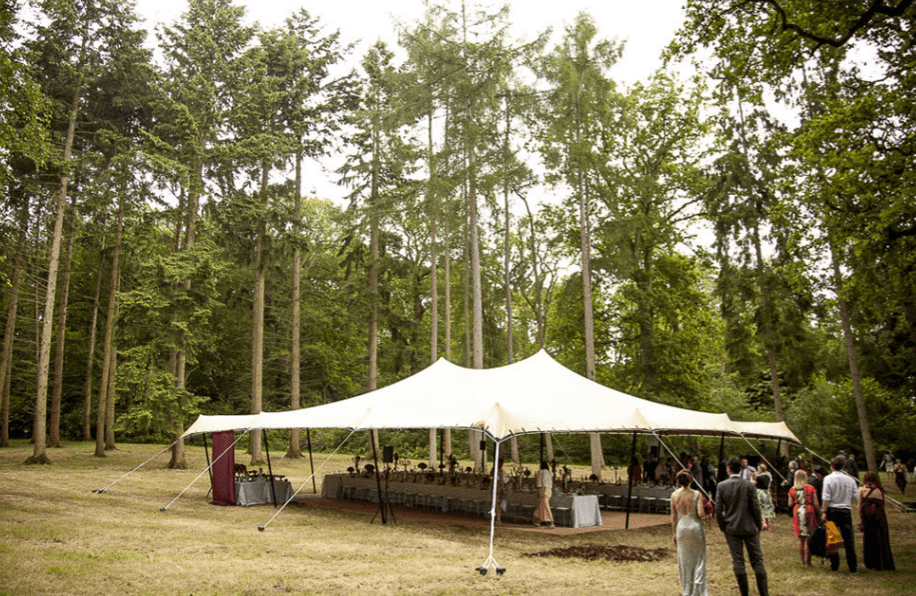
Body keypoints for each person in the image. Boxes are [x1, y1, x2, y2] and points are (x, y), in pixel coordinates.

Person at [715, 456, 769, 596]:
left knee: (738, 561)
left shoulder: (722, 486)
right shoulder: (749, 485)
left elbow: (718, 509)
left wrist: (723, 526)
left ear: (728, 469)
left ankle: (744, 593)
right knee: (757, 560)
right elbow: (756, 508)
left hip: (732, 528)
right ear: (741, 468)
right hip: (750, 527)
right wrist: (758, 524)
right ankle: (764, 593)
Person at [671, 470, 708, 596]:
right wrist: (706, 508)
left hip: (681, 529)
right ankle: (699, 591)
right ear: (691, 480)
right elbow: (700, 514)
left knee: (684, 561)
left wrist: (674, 534)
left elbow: (674, 517)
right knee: (699, 560)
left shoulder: (674, 495)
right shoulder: (697, 494)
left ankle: (687, 590)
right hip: (694, 527)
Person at [822, 457, 858, 573]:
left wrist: (823, 511)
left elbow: (826, 497)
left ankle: (834, 566)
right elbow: (855, 496)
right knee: (849, 540)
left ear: (831, 466)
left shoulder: (828, 479)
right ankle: (853, 567)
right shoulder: (850, 480)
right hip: (845, 510)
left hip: (832, 510)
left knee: (833, 539)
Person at [858, 472, 895, 570]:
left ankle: (871, 562)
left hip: (867, 513)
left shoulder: (862, 489)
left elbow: (859, 506)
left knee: (869, 537)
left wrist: (861, 519)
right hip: (879, 513)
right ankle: (884, 561)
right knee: (881, 536)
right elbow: (883, 504)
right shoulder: (880, 490)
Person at [789, 469, 821, 568]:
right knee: (808, 538)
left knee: (800, 538)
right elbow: (816, 503)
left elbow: (790, 504)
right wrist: (819, 513)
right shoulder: (810, 488)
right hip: (809, 511)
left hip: (798, 511)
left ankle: (802, 562)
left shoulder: (793, 489)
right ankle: (808, 562)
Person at [533, 461, 554, 528]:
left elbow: (542, 483)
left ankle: (551, 521)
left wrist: (539, 492)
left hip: (543, 490)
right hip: (548, 490)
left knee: (545, 506)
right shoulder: (549, 473)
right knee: (543, 505)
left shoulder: (541, 472)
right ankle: (539, 521)